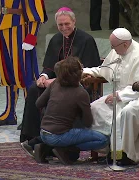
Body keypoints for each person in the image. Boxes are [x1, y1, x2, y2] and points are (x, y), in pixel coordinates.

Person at [19, 7, 101, 153]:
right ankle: (32, 135)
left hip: (78, 85)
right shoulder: (56, 39)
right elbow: (49, 66)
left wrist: (57, 81)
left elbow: (88, 71)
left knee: (61, 95)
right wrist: (43, 76)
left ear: (74, 22)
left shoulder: (86, 40)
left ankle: (51, 140)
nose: (64, 28)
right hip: (56, 84)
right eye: (60, 25)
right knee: (33, 89)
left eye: (67, 24)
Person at [82, 28, 139, 166]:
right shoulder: (118, 50)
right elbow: (104, 69)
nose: (112, 49)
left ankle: (128, 155)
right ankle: (108, 150)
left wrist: (120, 95)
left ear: (125, 44)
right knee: (95, 108)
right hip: (120, 95)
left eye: (114, 46)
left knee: (126, 113)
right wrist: (84, 71)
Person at [33, 57, 108, 165]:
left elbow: (38, 103)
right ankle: (64, 150)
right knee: (103, 140)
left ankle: (47, 147)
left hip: (43, 131)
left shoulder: (55, 83)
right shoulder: (81, 93)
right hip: (59, 135)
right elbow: (88, 122)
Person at [0, 0, 48, 126]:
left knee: (25, 72)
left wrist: (31, 36)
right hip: (3, 25)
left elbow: (36, 12)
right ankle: (9, 113)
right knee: (8, 71)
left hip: (20, 28)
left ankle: (31, 115)